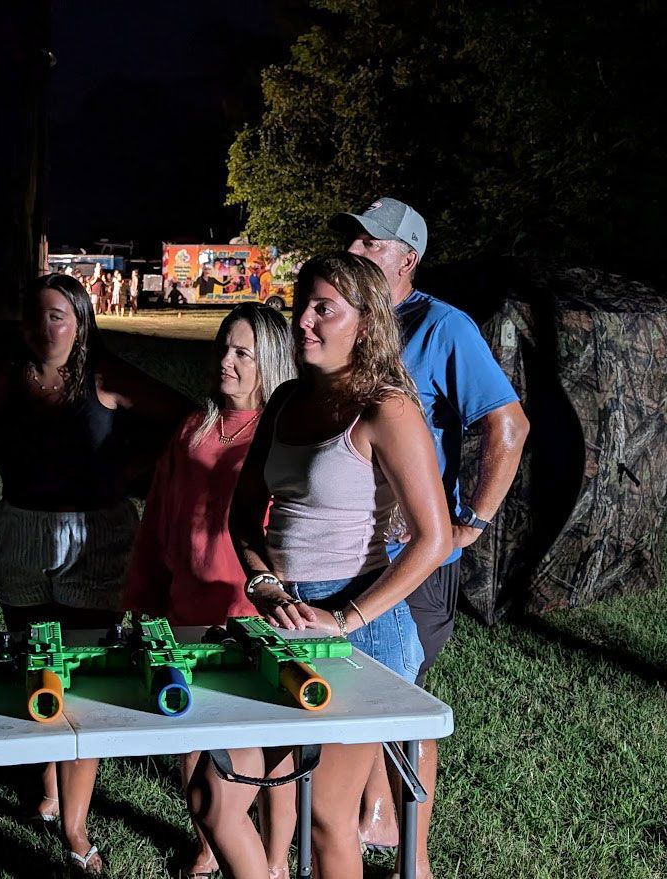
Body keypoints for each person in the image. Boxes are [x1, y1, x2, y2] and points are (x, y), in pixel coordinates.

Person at [189, 252, 452, 879]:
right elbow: (244, 514)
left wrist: (345, 616)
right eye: (301, 304)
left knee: (328, 818)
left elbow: (433, 538)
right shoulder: (283, 401)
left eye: (323, 309)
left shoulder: (387, 410)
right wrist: (262, 581)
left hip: (362, 631)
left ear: (365, 323)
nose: (302, 320)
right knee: (213, 790)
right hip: (281, 619)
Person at [0, 272, 192, 875]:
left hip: (95, 535)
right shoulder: (5, 380)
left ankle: (75, 823)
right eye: (34, 315)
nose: (44, 327)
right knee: (33, 658)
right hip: (22, 532)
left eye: (57, 315)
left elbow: (186, 419)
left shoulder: (105, 378)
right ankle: (48, 786)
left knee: (83, 675)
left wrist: (123, 470)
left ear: (82, 319)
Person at [332, 197, 529, 878]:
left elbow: (509, 425)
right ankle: (371, 821)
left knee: (401, 698)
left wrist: (469, 524)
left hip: (409, 553)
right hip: (339, 547)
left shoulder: (444, 327)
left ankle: (409, 854)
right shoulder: (348, 321)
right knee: (355, 691)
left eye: (372, 245)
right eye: (353, 240)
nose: (356, 251)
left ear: (407, 258)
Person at [123, 302, 295, 879]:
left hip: (248, 608)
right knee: (192, 731)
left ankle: (270, 861)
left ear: (268, 361)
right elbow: (157, 519)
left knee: (269, 755)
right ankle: (209, 843)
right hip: (186, 602)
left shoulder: (279, 434)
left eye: (242, 352)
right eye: (223, 347)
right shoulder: (194, 427)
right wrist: (143, 592)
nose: (226, 359)